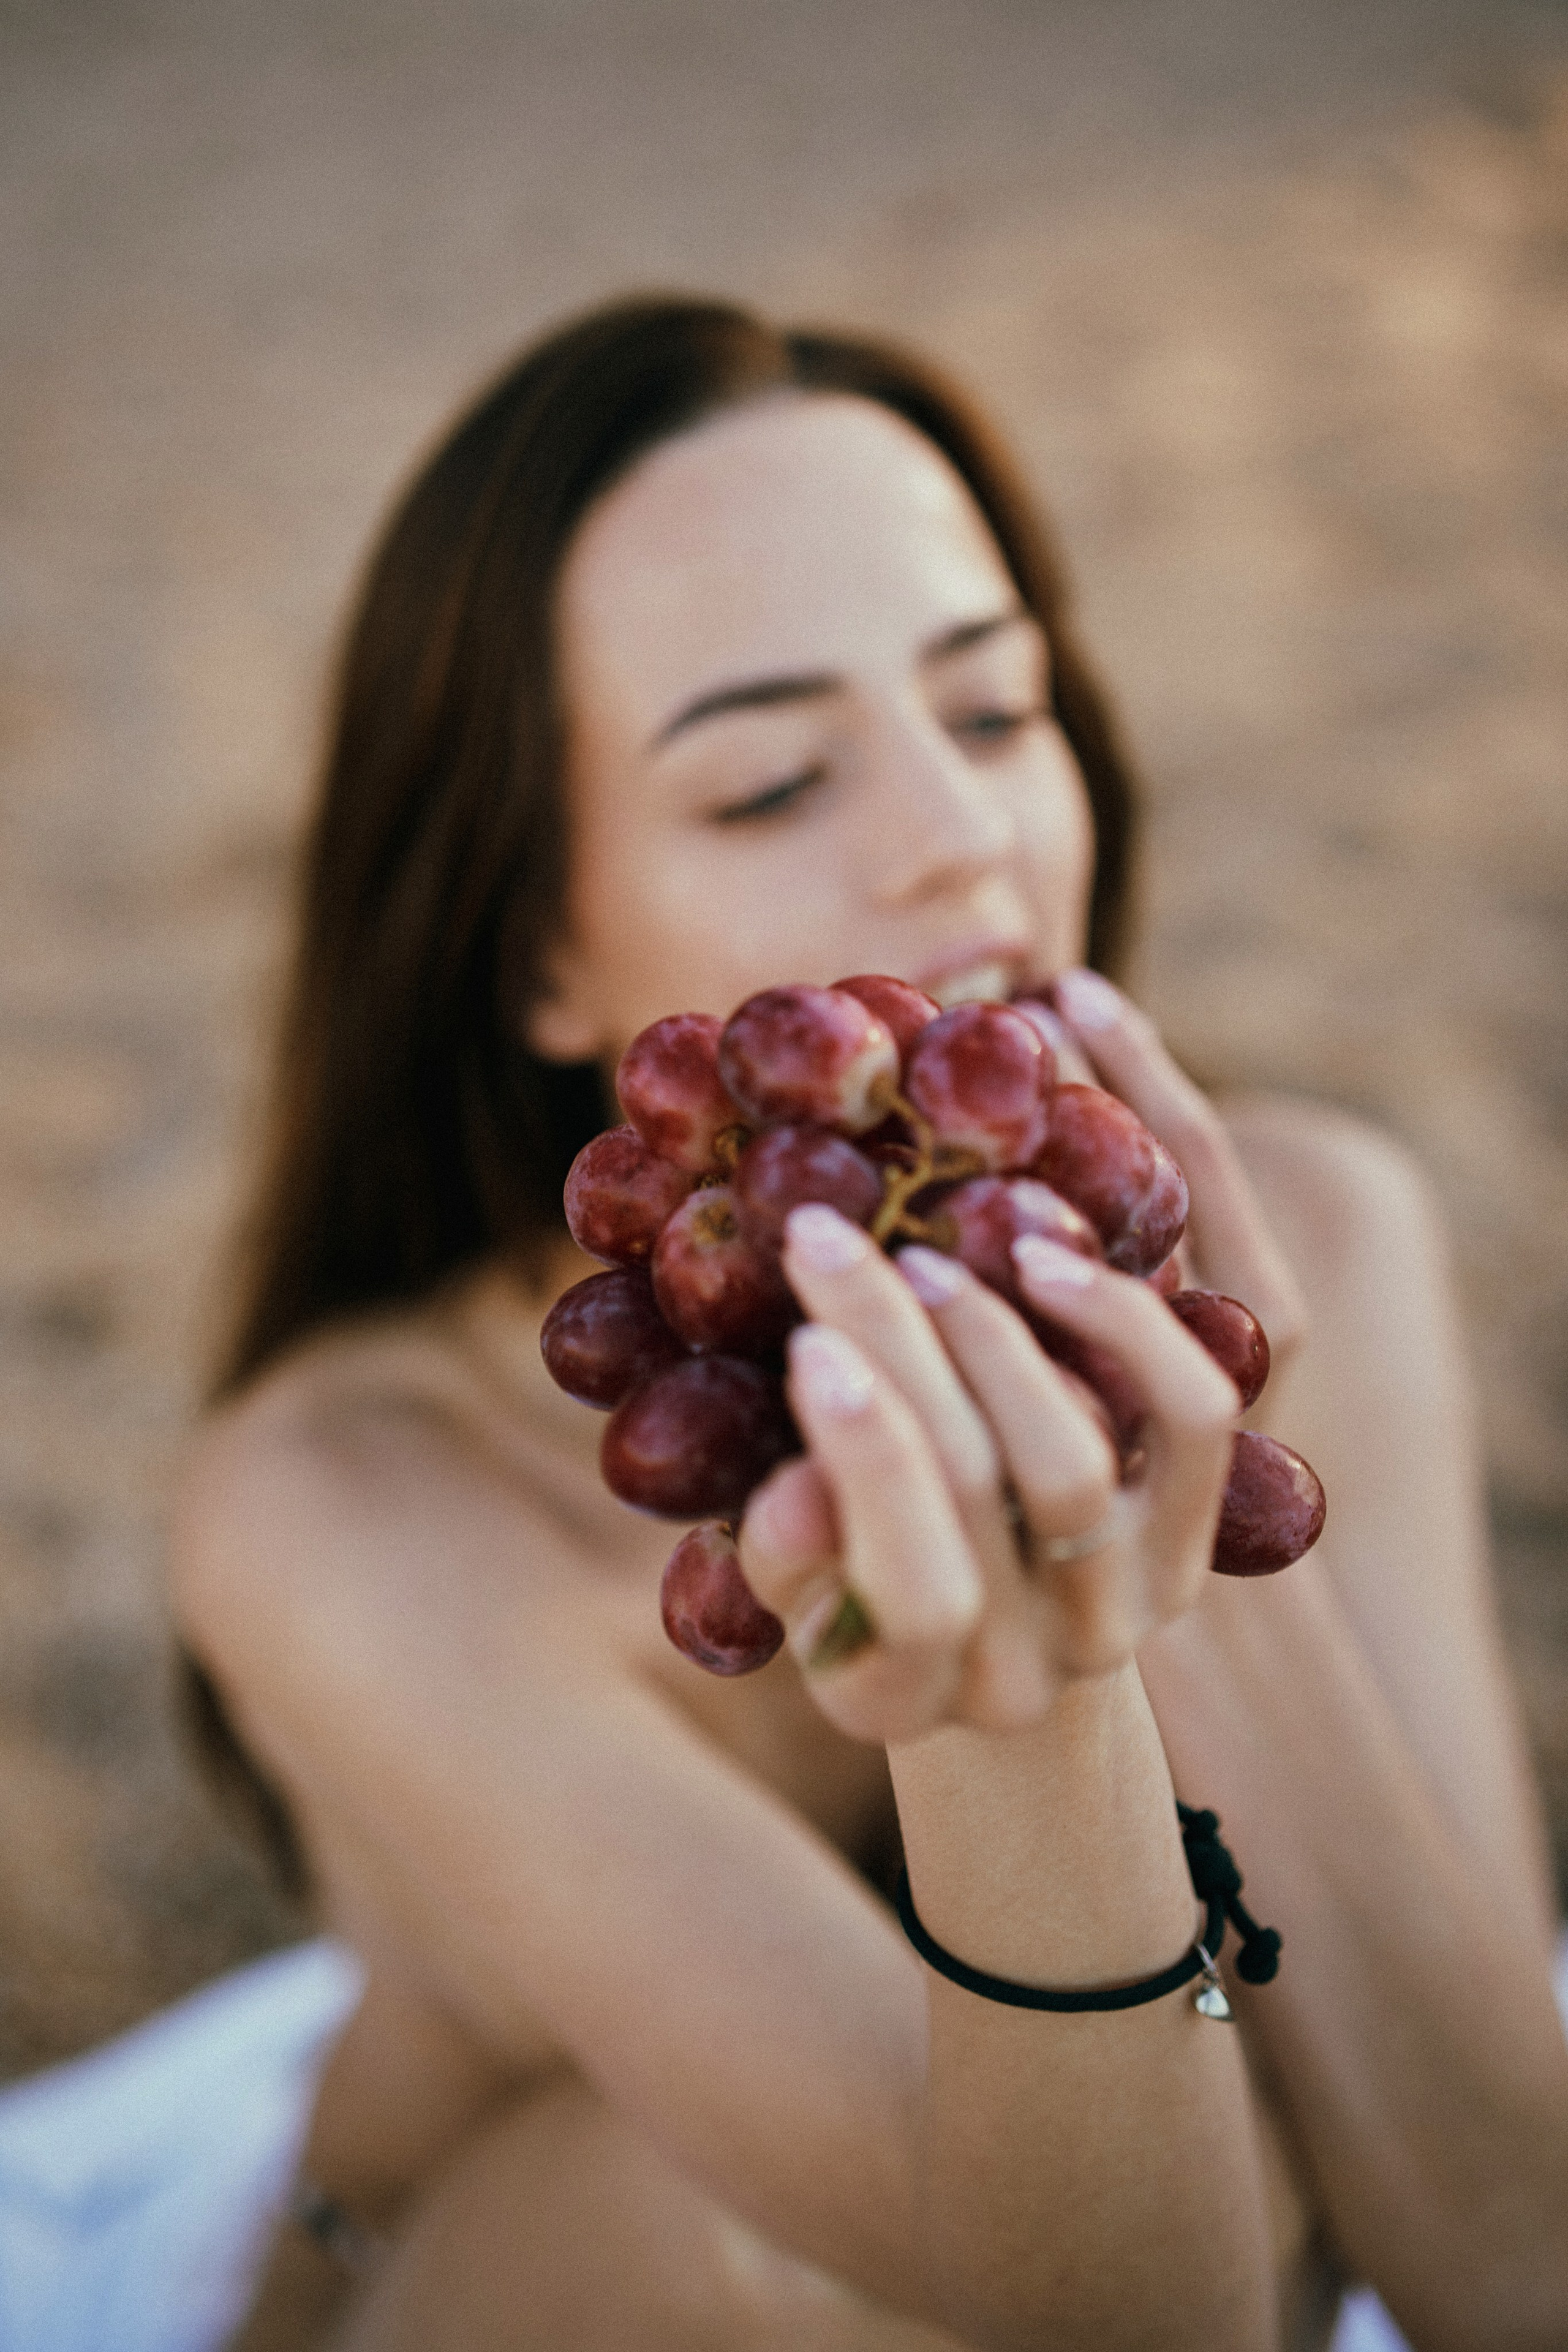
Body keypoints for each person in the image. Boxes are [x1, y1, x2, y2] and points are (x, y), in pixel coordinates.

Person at [171, 295, 1568, 2352]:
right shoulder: (359, 1509)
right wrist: (1033, 1694)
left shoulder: (1325, 1237)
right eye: (769, 786)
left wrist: (1181, 1500)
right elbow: (1141, 2320)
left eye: (993, 712)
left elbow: (1514, 2270)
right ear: (533, 949)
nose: (964, 836)